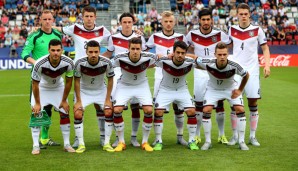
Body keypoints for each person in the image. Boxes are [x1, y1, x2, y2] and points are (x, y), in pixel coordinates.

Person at [54, 6, 111, 147]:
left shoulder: (103, 30)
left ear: (95, 17)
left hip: (97, 73)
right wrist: (42, 27)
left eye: (91, 16)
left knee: (101, 107)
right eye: (86, 16)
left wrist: (102, 58)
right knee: (78, 108)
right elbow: (58, 29)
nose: (89, 19)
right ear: (82, 17)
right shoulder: (75, 28)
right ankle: (78, 139)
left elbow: (113, 45)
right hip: (79, 72)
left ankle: (104, 137)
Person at [186, 8, 231, 145]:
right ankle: (198, 135)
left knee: (219, 103)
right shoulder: (191, 35)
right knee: (199, 104)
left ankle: (221, 135)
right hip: (200, 71)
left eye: (208, 19)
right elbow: (183, 46)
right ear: (199, 20)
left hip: (216, 72)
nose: (206, 22)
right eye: (203, 19)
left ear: (212, 20)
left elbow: (230, 46)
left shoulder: (220, 34)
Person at [227, 3, 270, 146]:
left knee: (253, 102)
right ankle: (234, 136)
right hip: (236, 72)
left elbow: (265, 49)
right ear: (237, 15)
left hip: (252, 71)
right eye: (241, 14)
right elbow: (225, 49)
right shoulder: (231, 29)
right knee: (234, 104)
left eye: (246, 14)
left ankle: (252, 136)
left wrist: (267, 65)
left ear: (249, 14)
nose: (244, 16)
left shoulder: (257, 30)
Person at [102, 12, 147, 148]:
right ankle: (118, 138)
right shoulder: (113, 37)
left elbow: (144, 55)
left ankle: (133, 137)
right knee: (117, 107)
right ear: (120, 24)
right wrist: (98, 59)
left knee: (135, 107)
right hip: (117, 73)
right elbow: (109, 54)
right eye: (124, 22)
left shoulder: (139, 37)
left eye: (129, 22)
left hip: (136, 74)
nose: (127, 24)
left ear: (133, 23)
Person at [195, 42, 250, 150]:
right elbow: (195, 58)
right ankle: (208, 141)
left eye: (224, 54)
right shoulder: (208, 62)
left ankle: (241, 141)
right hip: (213, 89)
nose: (222, 57)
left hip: (230, 89)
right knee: (206, 110)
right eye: (219, 55)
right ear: (215, 54)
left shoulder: (234, 65)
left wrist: (239, 90)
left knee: (240, 109)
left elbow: (246, 75)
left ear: (228, 54)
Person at [146, 11, 189, 146]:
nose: (168, 24)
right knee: (159, 110)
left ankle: (180, 136)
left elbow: (187, 54)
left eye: (171, 21)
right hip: (160, 77)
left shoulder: (181, 37)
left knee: (179, 108)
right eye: (166, 21)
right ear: (161, 22)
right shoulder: (154, 37)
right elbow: (146, 53)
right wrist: (156, 56)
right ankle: (158, 138)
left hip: (178, 77)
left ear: (174, 22)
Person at [21, 9, 63, 148]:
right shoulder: (34, 35)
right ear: (40, 20)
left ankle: (44, 138)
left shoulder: (57, 34)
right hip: (38, 77)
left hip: (54, 77)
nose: (47, 21)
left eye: (49, 19)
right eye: (44, 19)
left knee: (49, 108)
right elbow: (25, 53)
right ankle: (36, 140)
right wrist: (36, 63)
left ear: (53, 20)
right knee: (38, 108)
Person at [112, 37, 157, 152]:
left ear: (141, 49)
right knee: (117, 110)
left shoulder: (149, 57)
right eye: (133, 49)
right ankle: (121, 142)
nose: (135, 51)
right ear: (128, 49)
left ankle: (145, 142)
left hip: (141, 85)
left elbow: (160, 59)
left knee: (148, 110)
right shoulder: (119, 58)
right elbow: (108, 65)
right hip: (124, 86)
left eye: (138, 49)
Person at [30, 39, 75, 155]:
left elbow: (69, 82)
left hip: (58, 87)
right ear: (48, 50)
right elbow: (35, 84)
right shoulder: (39, 63)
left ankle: (66, 144)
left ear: (62, 50)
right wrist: (38, 103)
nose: (56, 53)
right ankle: (35, 145)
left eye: (58, 50)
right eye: (53, 50)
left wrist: (64, 100)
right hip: (42, 88)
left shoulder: (68, 63)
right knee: (36, 114)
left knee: (65, 112)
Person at [153, 40, 199, 151]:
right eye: (177, 52)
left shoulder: (189, 61)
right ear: (173, 52)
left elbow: (198, 59)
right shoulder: (165, 60)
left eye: (182, 53)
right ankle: (158, 141)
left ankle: (191, 140)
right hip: (165, 89)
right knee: (158, 112)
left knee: (192, 112)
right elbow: (153, 59)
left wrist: (188, 55)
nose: (180, 55)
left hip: (182, 90)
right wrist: (160, 55)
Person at [73, 40, 114, 153]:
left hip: (101, 90)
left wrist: (107, 99)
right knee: (77, 112)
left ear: (99, 51)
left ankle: (106, 142)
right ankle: (81, 144)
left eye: (96, 52)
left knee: (109, 111)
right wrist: (78, 101)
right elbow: (76, 82)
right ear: (86, 52)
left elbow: (110, 80)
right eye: (90, 52)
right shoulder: (79, 63)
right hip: (84, 90)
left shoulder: (106, 62)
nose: (93, 54)